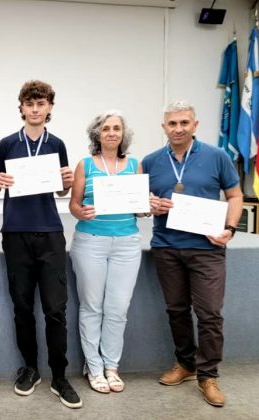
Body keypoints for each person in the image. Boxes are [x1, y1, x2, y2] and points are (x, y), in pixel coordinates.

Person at [143, 100, 242, 407]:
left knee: (210, 314)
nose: (178, 128)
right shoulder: (150, 160)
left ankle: (208, 375)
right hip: (167, 247)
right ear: (163, 127)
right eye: (172, 123)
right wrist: (149, 204)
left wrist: (231, 227)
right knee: (176, 310)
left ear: (195, 125)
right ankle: (185, 364)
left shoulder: (217, 156)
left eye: (184, 122)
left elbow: (235, 195)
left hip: (207, 249)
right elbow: (139, 201)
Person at [0, 80, 81, 408]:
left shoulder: (57, 143)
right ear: (22, 107)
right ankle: (30, 368)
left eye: (40, 104)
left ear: (49, 108)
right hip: (15, 234)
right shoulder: (5, 144)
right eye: (29, 103)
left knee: (55, 310)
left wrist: (65, 184)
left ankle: (59, 375)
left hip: (50, 235)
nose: (34, 109)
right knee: (22, 307)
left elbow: (59, 191)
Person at [68, 110, 143, 394]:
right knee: (91, 307)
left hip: (127, 244)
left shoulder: (135, 165)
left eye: (116, 128)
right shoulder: (85, 165)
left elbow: (140, 208)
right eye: (106, 129)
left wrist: (146, 206)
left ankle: (112, 365)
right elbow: (74, 204)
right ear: (97, 135)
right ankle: (94, 367)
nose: (111, 133)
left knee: (118, 309)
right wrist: (81, 213)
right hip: (91, 242)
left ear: (123, 135)